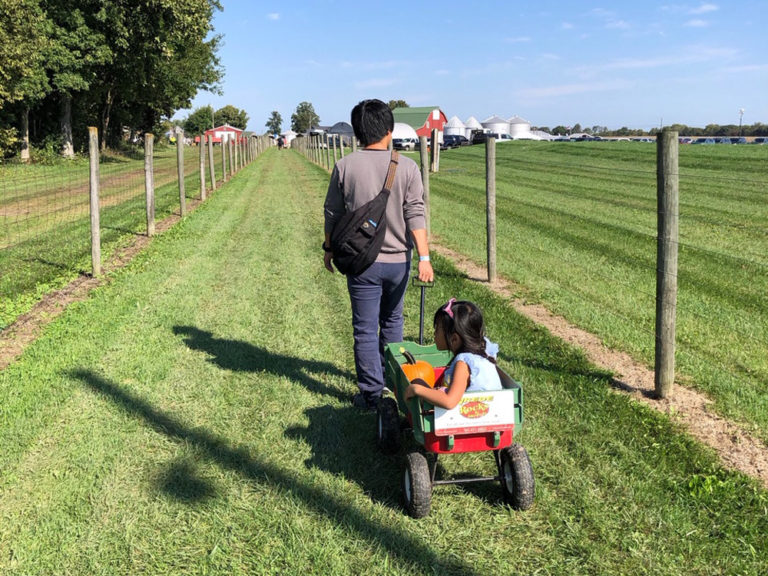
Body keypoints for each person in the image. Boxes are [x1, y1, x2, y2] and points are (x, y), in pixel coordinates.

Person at [323, 98, 434, 411]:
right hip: (399, 262)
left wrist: (329, 249)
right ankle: (396, 386)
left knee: (364, 328)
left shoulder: (345, 166)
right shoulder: (407, 166)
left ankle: (371, 395)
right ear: (389, 130)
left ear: (358, 132)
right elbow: (415, 212)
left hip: (361, 263)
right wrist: (424, 258)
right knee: (393, 322)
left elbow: (332, 212)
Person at [405, 298, 501, 410]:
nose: (434, 334)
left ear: (454, 339)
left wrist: (416, 389)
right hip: (488, 410)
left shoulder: (463, 363)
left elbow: (449, 402)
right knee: (419, 382)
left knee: (417, 384)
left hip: (464, 417)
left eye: (437, 330)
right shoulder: (484, 351)